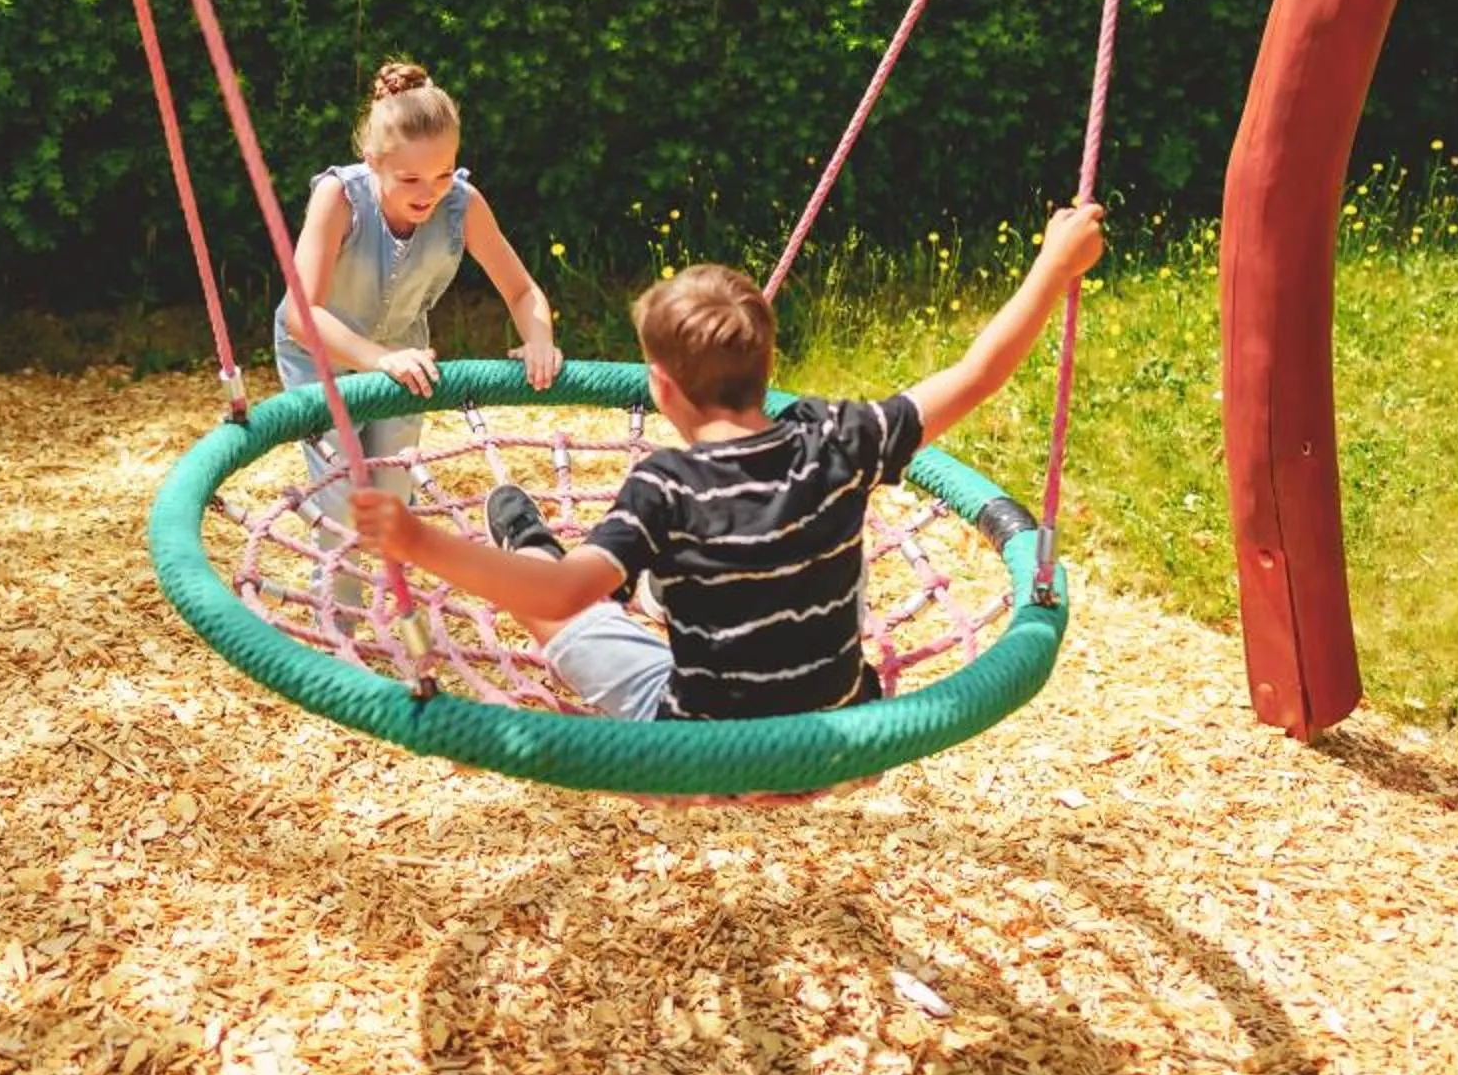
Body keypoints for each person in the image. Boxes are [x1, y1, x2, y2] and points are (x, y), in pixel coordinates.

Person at [348, 204, 1105, 720]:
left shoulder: (665, 488)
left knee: (564, 609)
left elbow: (558, 593)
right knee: (807, 531)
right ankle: (659, 591)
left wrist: (418, 543)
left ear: (662, 387)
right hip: (837, 723)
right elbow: (976, 374)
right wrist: (1052, 267)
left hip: (700, 741)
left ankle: (533, 539)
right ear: (768, 363)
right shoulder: (837, 439)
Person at [277, 61, 561, 591]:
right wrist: (379, 358)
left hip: (404, 355)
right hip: (322, 358)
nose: (428, 191)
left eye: (443, 173)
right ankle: (340, 627)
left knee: (390, 495)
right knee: (346, 501)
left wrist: (539, 337)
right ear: (372, 162)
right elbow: (300, 314)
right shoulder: (340, 198)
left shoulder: (462, 204)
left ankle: (394, 613)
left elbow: (522, 291)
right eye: (409, 178)